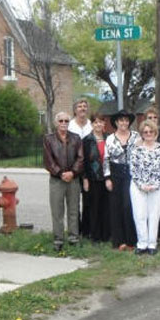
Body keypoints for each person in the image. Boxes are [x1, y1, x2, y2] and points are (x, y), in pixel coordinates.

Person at [43, 112, 84, 252]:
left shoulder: (76, 138)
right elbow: (48, 160)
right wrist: (60, 173)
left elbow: (80, 158)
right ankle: (58, 239)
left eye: (66, 120)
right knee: (57, 211)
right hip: (56, 180)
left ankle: (73, 237)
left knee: (73, 210)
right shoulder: (49, 139)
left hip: (73, 179)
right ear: (56, 122)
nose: (64, 123)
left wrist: (73, 172)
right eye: (61, 120)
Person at [103, 109, 140, 251]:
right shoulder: (110, 139)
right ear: (116, 122)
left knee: (129, 206)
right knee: (116, 207)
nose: (124, 123)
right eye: (121, 120)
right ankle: (119, 241)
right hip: (115, 174)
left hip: (131, 174)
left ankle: (131, 240)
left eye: (126, 120)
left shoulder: (136, 137)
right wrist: (107, 178)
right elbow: (106, 159)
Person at [129, 120, 160, 255]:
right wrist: (142, 185)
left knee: (154, 215)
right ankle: (142, 243)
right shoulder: (136, 149)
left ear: (155, 132)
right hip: (138, 187)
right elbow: (133, 169)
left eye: (151, 131)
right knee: (140, 215)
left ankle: (152, 244)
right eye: (145, 132)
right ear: (142, 134)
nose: (148, 134)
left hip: (156, 187)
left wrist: (155, 185)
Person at [82, 113, 110, 242]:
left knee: (106, 207)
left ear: (104, 124)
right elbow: (84, 161)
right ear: (92, 124)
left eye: (101, 122)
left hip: (107, 178)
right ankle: (95, 235)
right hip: (92, 179)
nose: (99, 124)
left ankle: (105, 235)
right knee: (94, 207)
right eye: (96, 122)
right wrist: (85, 179)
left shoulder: (109, 139)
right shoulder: (86, 140)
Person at [68, 98, 93, 238]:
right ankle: (75, 230)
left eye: (84, 106)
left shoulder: (91, 125)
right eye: (79, 106)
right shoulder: (70, 125)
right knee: (74, 202)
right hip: (74, 168)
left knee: (88, 201)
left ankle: (87, 230)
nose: (82, 108)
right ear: (75, 109)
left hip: (89, 170)